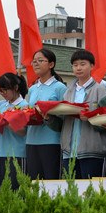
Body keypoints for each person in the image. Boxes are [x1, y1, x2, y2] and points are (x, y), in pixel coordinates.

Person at [61, 49, 106, 179]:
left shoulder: (100, 89)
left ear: (92, 66)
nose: (78, 68)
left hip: (92, 151)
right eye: (75, 65)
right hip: (69, 152)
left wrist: (90, 118)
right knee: (71, 189)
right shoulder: (68, 92)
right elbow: (62, 122)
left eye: (83, 64)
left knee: (91, 189)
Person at [25, 48, 67, 180]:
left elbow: (64, 118)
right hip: (31, 140)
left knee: (51, 182)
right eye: (34, 61)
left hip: (51, 141)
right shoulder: (32, 89)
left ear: (51, 64)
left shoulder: (60, 88)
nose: (36, 63)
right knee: (34, 182)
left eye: (40, 60)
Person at [0, 73, 28, 190]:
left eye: (4, 90)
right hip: (0, 153)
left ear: (15, 88)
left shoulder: (24, 106)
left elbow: (22, 132)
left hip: (16, 153)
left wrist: (5, 120)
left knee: (16, 190)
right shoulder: (2, 106)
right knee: (1, 191)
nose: (2, 93)